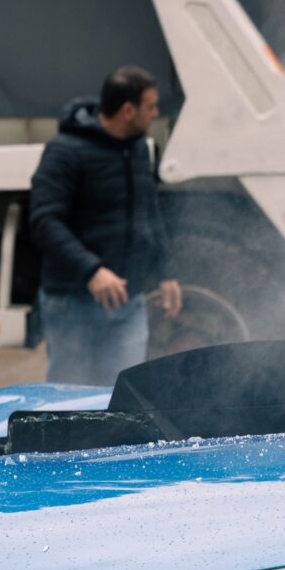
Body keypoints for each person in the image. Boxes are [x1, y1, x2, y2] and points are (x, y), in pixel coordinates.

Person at [30, 66, 182, 386]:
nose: (156, 113)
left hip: (129, 303)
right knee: (69, 402)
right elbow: (44, 221)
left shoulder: (139, 149)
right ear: (128, 110)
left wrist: (165, 272)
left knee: (120, 399)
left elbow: (149, 213)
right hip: (73, 304)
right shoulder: (64, 152)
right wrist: (92, 270)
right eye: (150, 106)